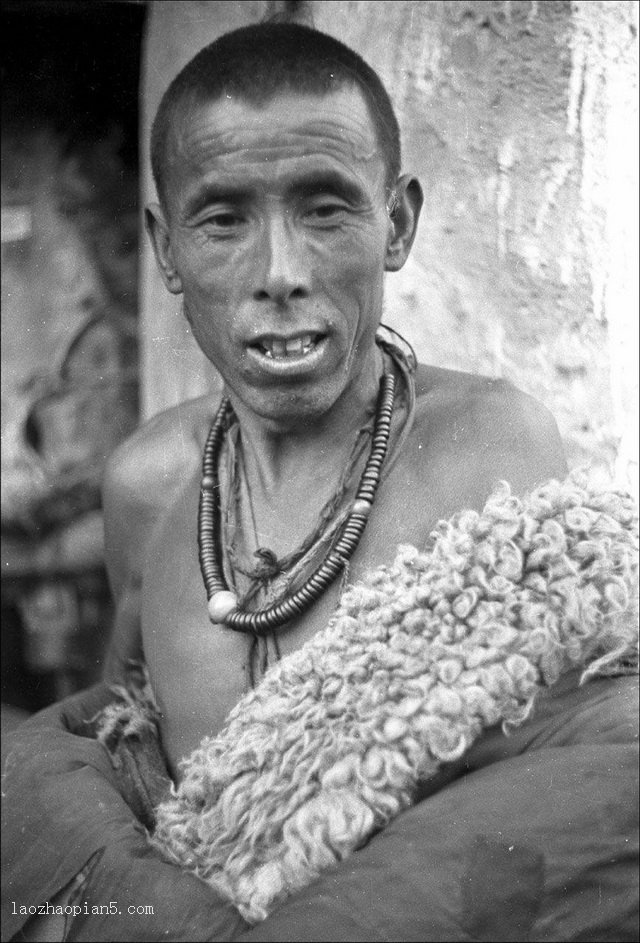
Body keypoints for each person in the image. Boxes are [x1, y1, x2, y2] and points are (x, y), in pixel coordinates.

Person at [2, 21, 637, 943]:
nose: (280, 273)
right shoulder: (147, 485)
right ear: (165, 249)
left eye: (326, 209)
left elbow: (545, 807)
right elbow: (131, 762)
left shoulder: (489, 451)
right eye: (223, 220)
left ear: (398, 223)